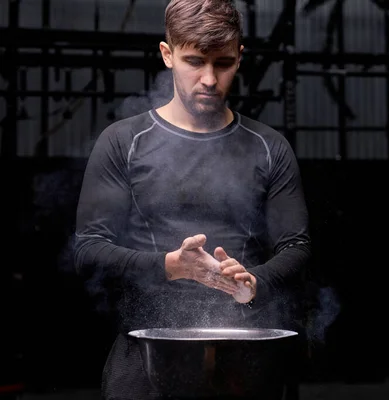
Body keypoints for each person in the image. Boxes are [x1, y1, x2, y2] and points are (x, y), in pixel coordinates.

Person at [73, 0, 311, 398]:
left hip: (244, 359)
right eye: (194, 61)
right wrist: (171, 266)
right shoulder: (123, 142)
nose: (209, 79)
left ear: (239, 57)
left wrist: (254, 281)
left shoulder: (269, 147)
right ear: (167, 55)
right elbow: (88, 250)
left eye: (222, 63)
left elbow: (298, 246)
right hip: (145, 358)